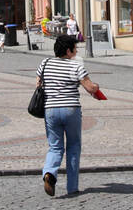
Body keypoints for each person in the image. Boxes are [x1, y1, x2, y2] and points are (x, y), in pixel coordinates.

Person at [36, 36, 102, 198]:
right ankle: (72, 187)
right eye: (75, 48)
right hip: (70, 109)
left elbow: (38, 83)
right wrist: (96, 87)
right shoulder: (76, 66)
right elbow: (90, 88)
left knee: (55, 147)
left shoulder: (45, 63)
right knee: (73, 146)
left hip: (50, 109)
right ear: (68, 50)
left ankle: (49, 173)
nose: (77, 51)